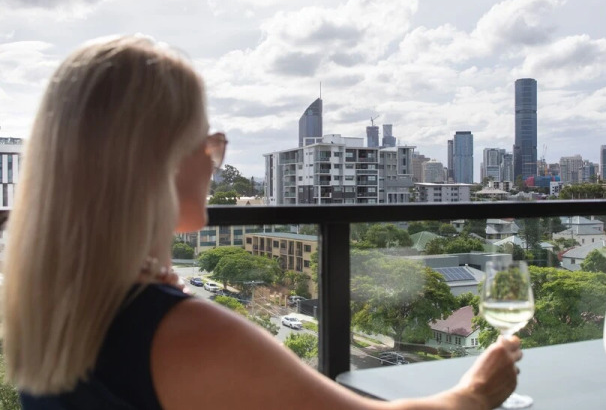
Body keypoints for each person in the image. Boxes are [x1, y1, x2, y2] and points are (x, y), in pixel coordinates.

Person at [3, 36, 522, 409]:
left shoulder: (54, 305)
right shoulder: (183, 332)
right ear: (155, 160)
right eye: (209, 142)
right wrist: (475, 393)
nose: (215, 161)